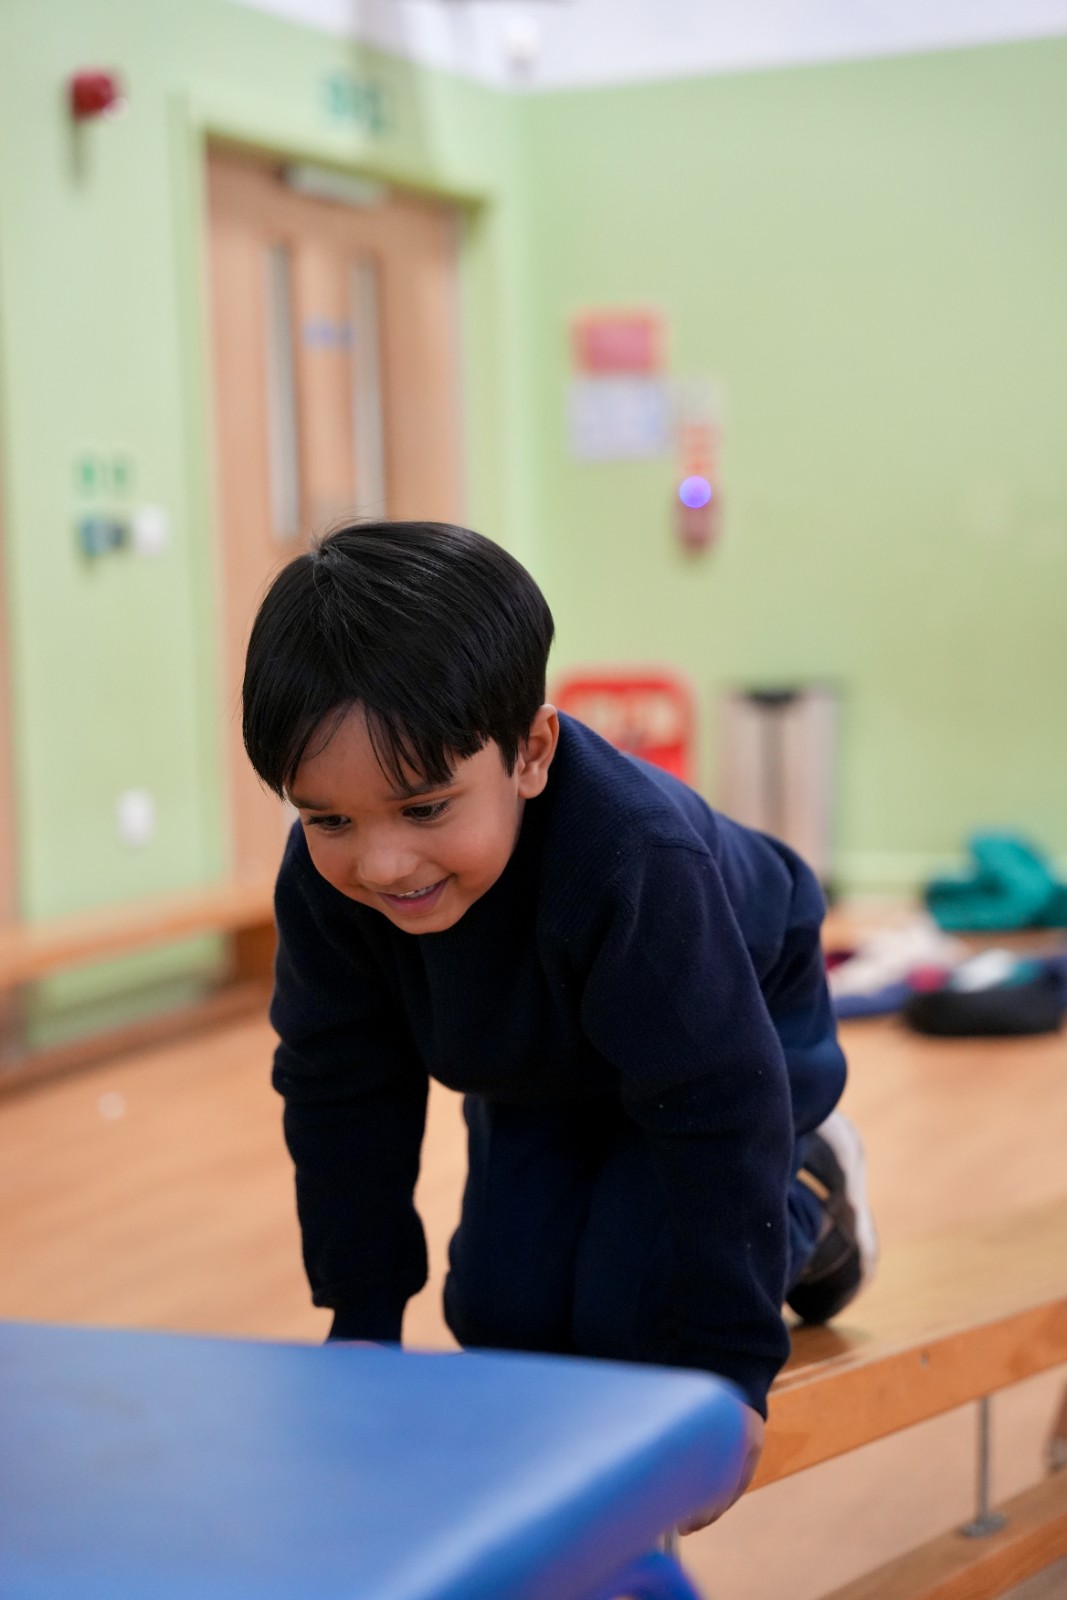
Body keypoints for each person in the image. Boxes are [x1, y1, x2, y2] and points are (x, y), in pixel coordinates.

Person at [242, 520, 877, 1527]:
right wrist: (361, 1317)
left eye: (424, 806)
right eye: (328, 820)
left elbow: (716, 1105)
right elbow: (338, 1091)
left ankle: (815, 1188)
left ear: (530, 752)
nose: (381, 864)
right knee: (500, 1320)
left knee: (635, 1324)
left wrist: (730, 1371)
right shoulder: (333, 891)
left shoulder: (637, 862)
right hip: (545, 1057)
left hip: (737, 1035)